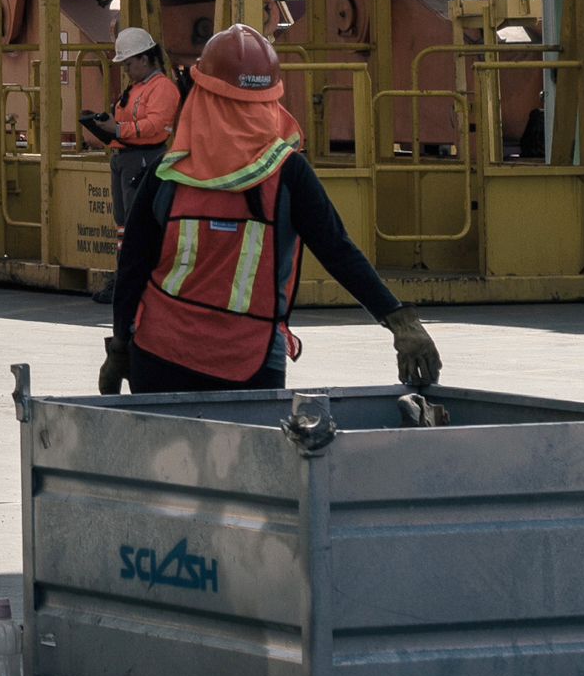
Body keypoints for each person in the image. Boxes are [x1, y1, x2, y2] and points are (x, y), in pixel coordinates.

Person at [101, 25, 443, 398]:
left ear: (200, 91)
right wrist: (400, 322)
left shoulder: (166, 173)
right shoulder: (288, 174)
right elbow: (337, 251)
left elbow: (132, 267)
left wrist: (120, 349)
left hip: (160, 356)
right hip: (249, 362)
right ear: (270, 98)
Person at [76, 25, 183, 234]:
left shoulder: (162, 87)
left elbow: (154, 125)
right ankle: (125, 262)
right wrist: (103, 124)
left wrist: (116, 129)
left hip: (141, 159)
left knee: (137, 218)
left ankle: (135, 263)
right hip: (125, 158)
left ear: (144, 59)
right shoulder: (137, 87)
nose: (125, 69)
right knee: (124, 220)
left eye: (128, 64)